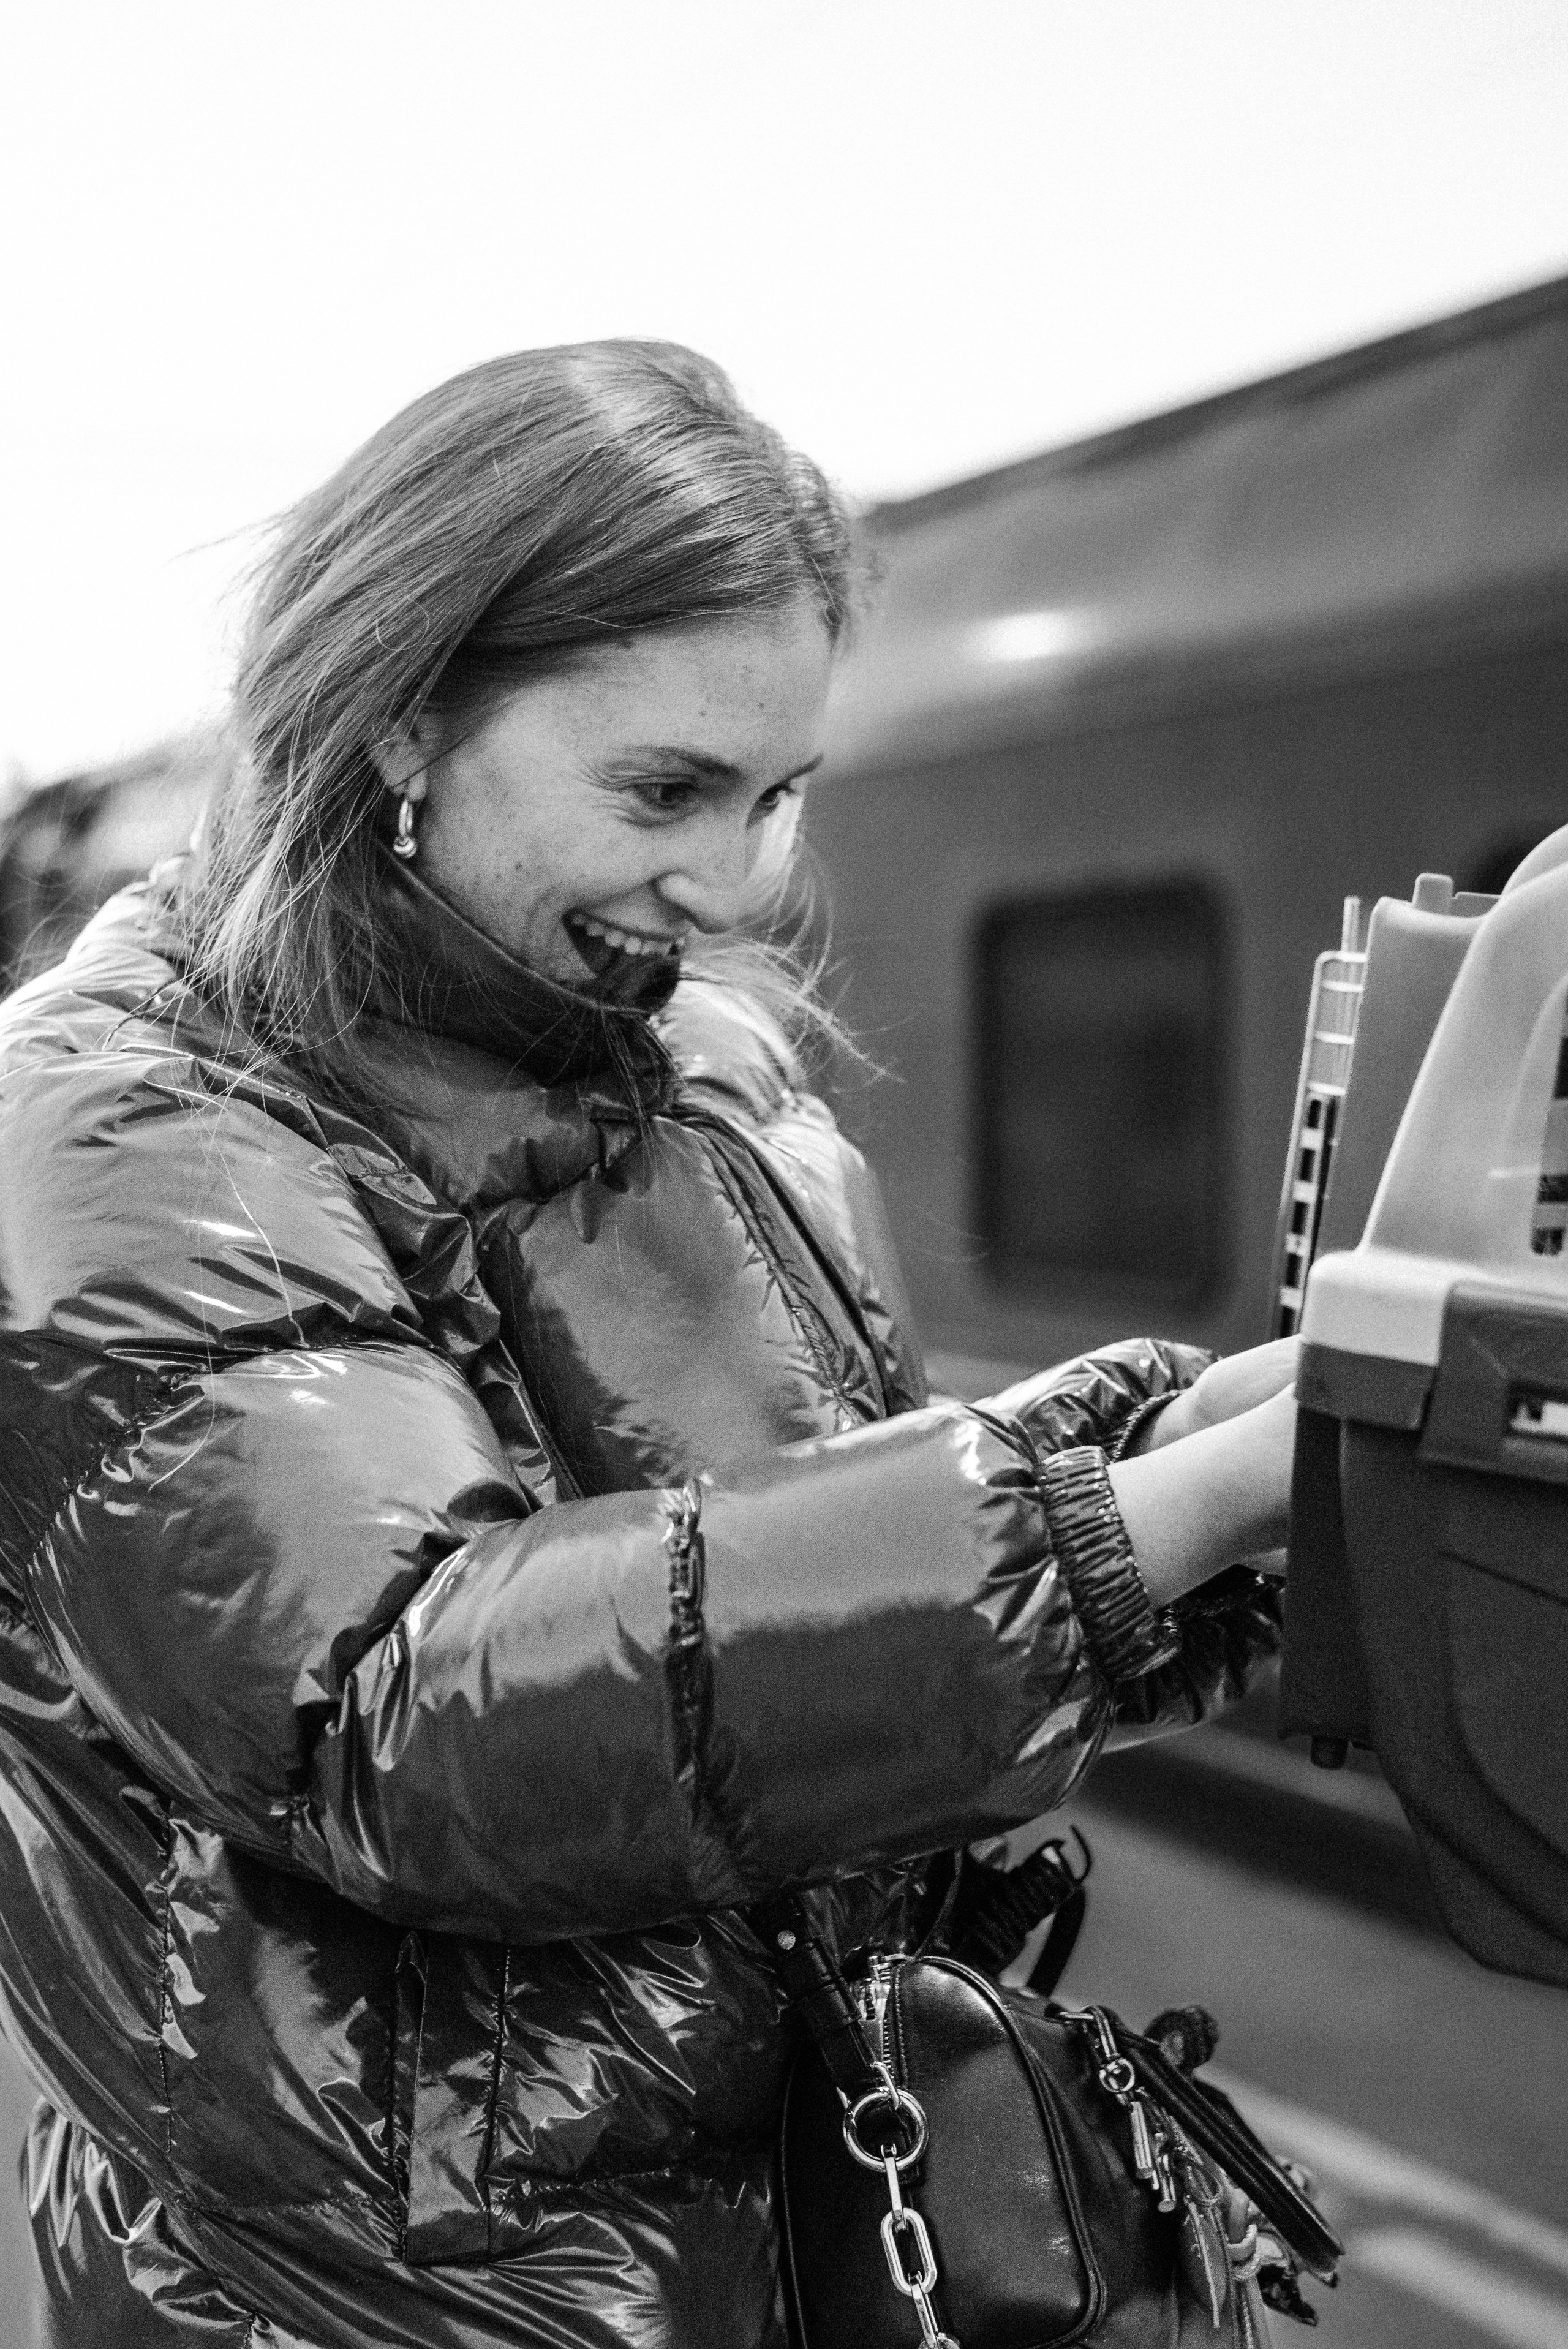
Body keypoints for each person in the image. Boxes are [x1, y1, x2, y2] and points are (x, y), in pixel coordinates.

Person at [0, 342, 1295, 2348]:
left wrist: (1134, 1466)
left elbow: (762, 1591)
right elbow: (402, 1702)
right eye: (665, 789)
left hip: (776, 2234)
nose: (736, 880)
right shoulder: (123, 1122)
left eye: (779, 794)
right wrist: (1094, 1533)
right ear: (404, 716)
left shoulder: (706, 1073)